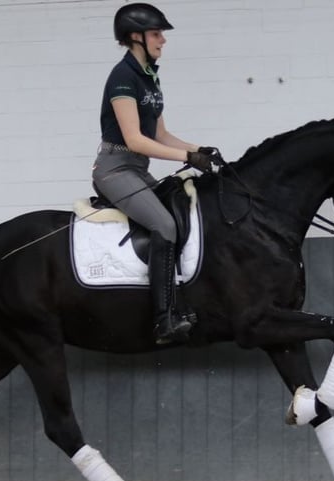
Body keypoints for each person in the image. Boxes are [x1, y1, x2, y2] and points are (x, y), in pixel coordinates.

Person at [92, 3, 219, 345]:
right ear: (136, 37)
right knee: (163, 225)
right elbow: (135, 139)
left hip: (136, 169)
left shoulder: (149, 76)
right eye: (156, 34)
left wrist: (199, 149)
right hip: (115, 169)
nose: (163, 40)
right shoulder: (122, 77)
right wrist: (186, 156)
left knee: (181, 210)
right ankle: (163, 320)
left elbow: (161, 135)